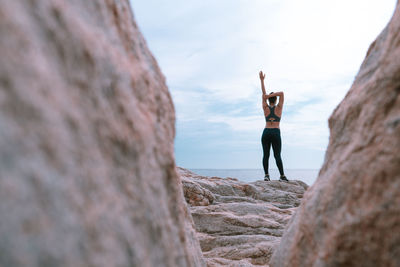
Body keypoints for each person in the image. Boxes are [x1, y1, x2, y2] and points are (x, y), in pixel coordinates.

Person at [259, 71, 288, 182]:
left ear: (268, 100)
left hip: (266, 132)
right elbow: (281, 93)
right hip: (275, 132)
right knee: (277, 155)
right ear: (275, 100)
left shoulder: (265, 107)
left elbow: (263, 95)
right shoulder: (279, 108)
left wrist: (262, 80)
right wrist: (270, 95)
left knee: (266, 155)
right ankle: (282, 176)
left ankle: (266, 175)